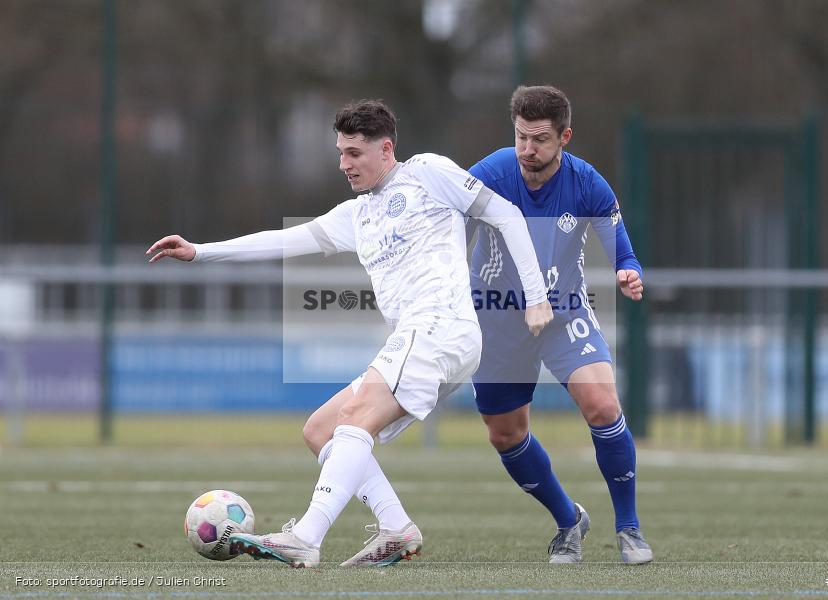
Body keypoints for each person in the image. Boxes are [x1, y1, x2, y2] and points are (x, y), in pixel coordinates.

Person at [146, 99, 553, 568]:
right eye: (340, 153)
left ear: (386, 149)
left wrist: (536, 296)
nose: (344, 164)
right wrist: (199, 252)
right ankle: (396, 527)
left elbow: (507, 215)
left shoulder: (427, 173)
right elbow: (280, 242)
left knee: (355, 418)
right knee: (321, 430)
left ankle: (306, 536)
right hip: (422, 339)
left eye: (354, 153)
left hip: (441, 326)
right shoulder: (356, 215)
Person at [466, 85, 652, 564]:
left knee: (602, 403)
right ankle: (569, 520)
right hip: (497, 318)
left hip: (563, 311)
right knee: (505, 434)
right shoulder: (486, 176)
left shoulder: (588, 183)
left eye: (541, 139)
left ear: (564, 136)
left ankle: (629, 529)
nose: (528, 149)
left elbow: (621, 246)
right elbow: (445, 228)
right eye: (521, 137)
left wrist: (627, 271)